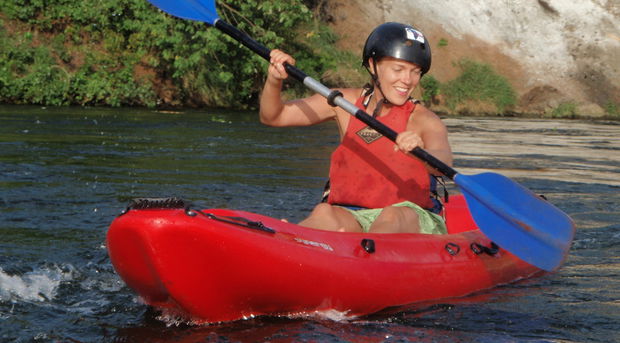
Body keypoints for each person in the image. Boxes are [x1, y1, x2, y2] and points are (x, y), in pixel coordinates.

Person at [259, 22, 453, 234]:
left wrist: (421, 154)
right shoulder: (344, 103)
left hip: (412, 217)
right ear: (372, 65)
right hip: (353, 213)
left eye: (415, 72)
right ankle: (291, 241)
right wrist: (274, 80)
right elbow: (274, 117)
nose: (407, 80)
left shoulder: (424, 119)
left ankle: (359, 255)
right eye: (398, 69)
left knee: (391, 216)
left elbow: (444, 164)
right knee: (324, 213)